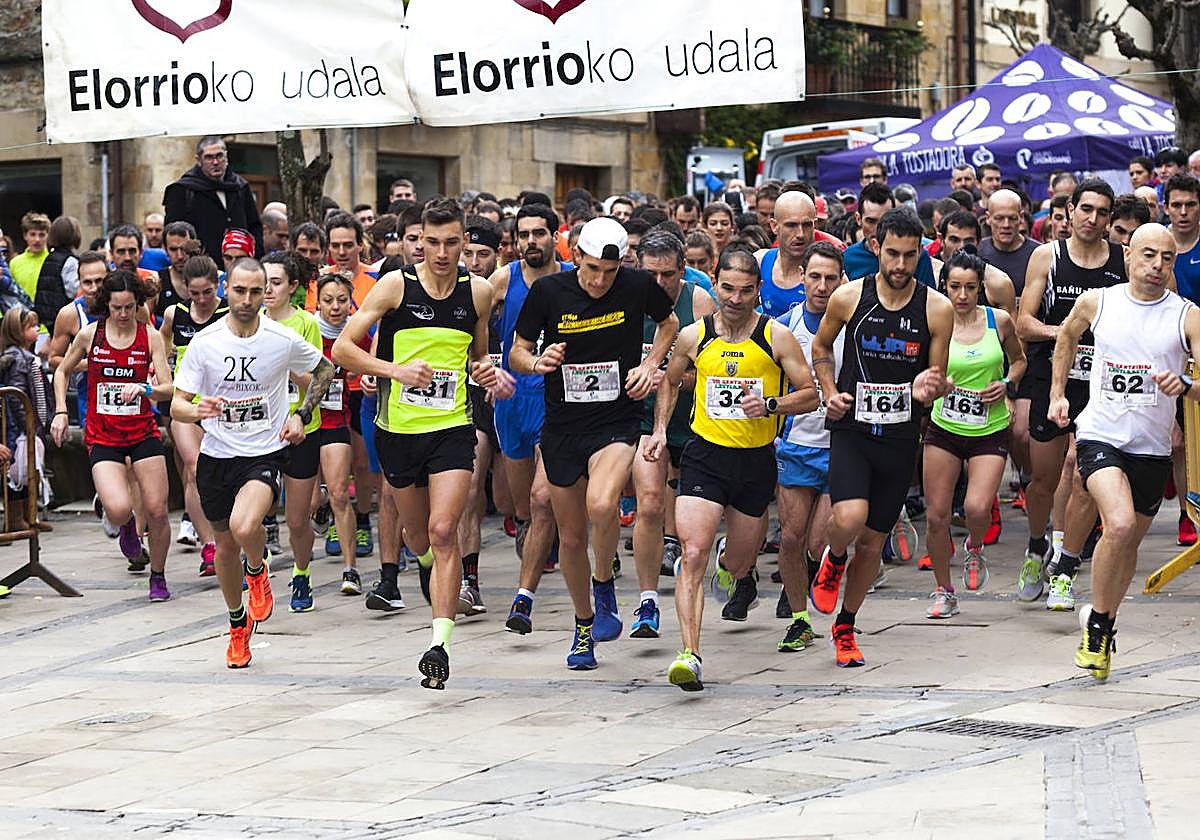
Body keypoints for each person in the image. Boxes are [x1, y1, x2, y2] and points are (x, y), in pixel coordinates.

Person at [333, 198, 508, 689]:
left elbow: (477, 355)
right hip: (398, 433)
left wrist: (485, 370)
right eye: (432, 242)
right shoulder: (395, 286)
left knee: (445, 528)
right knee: (418, 539)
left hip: (452, 428)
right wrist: (395, 372)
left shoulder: (478, 293)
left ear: (464, 243)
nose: (443, 252)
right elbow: (344, 348)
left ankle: (439, 644)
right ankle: (430, 567)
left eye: (453, 243)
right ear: (419, 241)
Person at [509, 217, 678, 671]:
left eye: (610, 271)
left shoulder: (638, 284)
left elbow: (671, 323)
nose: (601, 281)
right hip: (563, 425)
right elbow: (517, 352)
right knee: (571, 536)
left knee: (603, 504)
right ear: (575, 255)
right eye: (591, 269)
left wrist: (651, 365)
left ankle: (605, 583)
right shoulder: (549, 292)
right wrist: (538, 361)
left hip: (616, 418)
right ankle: (584, 623)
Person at [648, 247, 818, 690]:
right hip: (705, 456)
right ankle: (690, 654)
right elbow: (669, 382)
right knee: (692, 552)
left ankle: (733, 563)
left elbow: (811, 394)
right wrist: (661, 430)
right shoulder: (694, 335)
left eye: (745, 290)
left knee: (740, 562)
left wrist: (771, 405)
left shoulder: (776, 337)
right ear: (715, 284)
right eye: (727, 288)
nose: (736, 298)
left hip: (755, 461)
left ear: (758, 291)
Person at [1049, 223, 1198, 679]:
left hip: (1151, 448)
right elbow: (1066, 337)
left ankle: (1105, 622)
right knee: (1119, 522)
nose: (1157, 266)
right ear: (1128, 255)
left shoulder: (1187, 315)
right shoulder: (1099, 302)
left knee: (1126, 544)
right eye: (1148, 255)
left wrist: (1188, 382)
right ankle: (1095, 626)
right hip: (1100, 433)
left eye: (1167, 258)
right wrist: (1058, 393)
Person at [808, 208, 954, 667]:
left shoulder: (937, 308)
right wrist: (829, 392)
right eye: (892, 253)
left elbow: (935, 374)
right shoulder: (849, 297)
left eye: (910, 256)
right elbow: (820, 350)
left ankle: (846, 626)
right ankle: (832, 558)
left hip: (900, 437)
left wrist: (932, 388)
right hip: (853, 429)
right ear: (876, 247)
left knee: (872, 543)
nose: (900, 265)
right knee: (849, 517)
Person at [171, 257, 332, 668]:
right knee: (224, 546)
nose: (247, 300)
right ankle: (237, 623)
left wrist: (301, 414)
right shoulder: (206, 343)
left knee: (246, 526)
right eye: (240, 291)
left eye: (256, 292)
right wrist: (198, 411)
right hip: (217, 456)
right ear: (227, 289)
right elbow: (177, 405)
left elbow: (326, 369)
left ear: (268, 293)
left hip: (263, 452)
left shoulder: (281, 338)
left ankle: (258, 570)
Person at [1017, 178, 1125, 609]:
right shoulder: (1049, 257)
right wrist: (1062, 334)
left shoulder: (1123, 259)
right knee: (1043, 478)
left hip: (1101, 381)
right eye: (1086, 209)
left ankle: (1066, 564)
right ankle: (1037, 544)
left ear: (1109, 218)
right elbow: (1023, 322)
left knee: (1080, 470)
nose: (1093, 219)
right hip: (1052, 374)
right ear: (1070, 210)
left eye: (1102, 212)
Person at [51, 270, 175, 599]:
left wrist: (145, 388)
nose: (123, 315)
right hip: (103, 435)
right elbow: (61, 372)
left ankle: (158, 576)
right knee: (119, 510)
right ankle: (127, 531)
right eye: (117, 308)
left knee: (158, 511)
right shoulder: (90, 335)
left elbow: (168, 388)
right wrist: (61, 411)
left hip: (142, 432)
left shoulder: (149, 337)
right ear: (107, 305)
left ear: (138, 305)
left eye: (129, 307)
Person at [923, 251, 1026, 617]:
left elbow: (1019, 361)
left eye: (970, 287)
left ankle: (975, 547)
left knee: (976, 508)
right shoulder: (934, 321)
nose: (962, 295)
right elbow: (921, 371)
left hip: (989, 427)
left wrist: (1006, 384)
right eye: (955, 287)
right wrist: (936, 384)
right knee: (936, 516)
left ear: (980, 287)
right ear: (944, 286)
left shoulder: (998, 321)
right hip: (944, 426)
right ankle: (943, 590)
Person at [628, 231, 716, 638]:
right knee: (648, 504)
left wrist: (673, 377)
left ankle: (730, 567)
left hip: (696, 422)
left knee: (700, 524)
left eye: (668, 275)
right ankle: (648, 601)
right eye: (651, 275)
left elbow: (718, 370)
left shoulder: (699, 301)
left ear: (683, 270)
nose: (659, 284)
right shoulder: (626, 297)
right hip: (645, 421)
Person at [489, 204, 572, 634]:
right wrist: (481, 366)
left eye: (540, 233)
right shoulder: (502, 279)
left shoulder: (573, 277)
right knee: (521, 504)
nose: (531, 242)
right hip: (511, 398)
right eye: (524, 235)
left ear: (554, 236)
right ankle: (532, 530)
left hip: (557, 400)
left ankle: (524, 600)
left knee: (543, 498)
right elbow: (472, 322)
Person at [773, 242, 844, 650]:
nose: (821, 285)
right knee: (790, 539)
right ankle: (799, 620)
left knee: (820, 543)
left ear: (841, 281)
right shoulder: (783, 326)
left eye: (829, 278)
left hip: (841, 448)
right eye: (814, 276)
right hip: (797, 445)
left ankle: (830, 577)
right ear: (801, 278)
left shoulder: (852, 326)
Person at [159, 255, 228, 575]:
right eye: (195, 293)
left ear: (218, 286)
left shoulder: (229, 312)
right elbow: (161, 344)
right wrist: (159, 372)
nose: (201, 299)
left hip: (221, 404)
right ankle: (209, 545)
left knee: (216, 474)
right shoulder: (176, 313)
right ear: (185, 289)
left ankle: (227, 538)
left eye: (207, 292)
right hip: (185, 404)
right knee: (195, 467)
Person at [459, 216, 506, 615]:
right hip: (470, 402)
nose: (474, 261)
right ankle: (467, 579)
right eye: (468, 253)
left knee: (515, 501)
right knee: (469, 490)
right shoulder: (454, 295)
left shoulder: (512, 294)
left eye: (483, 254)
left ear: (498, 255)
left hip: (512, 403)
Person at [163, 136, 264, 261]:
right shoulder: (182, 190)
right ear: (198, 160)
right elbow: (173, 232)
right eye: (209, 157)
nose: (215, 162)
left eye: (219, 156)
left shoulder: (240, 187)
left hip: (239, 264)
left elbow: (254, 226)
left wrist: (255, 257)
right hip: (201, 267)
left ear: (226, 157)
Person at [0, 307, 50, 533]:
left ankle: (29, 516)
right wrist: (27, 425)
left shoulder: (29, 358)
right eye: (31, 326)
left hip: (33, 424)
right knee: (18, 472)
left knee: (30, 470)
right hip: (21, 427)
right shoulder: (18, 359)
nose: (37, 330)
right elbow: (16, 397)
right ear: (16, 331)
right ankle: (14, 518)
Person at [842, 184, 937, 288]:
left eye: (885, 220)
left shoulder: (918, 256)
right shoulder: (848, 258)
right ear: (858, 219)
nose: (878, 228)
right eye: (871, 221)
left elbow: (929, 299)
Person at [33, 216, 81, 330]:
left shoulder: (49, 258)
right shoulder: (70, 261)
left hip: (47, 318)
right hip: (62, 319)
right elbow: (73, 290)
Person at [153, 222, 200, 323]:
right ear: (165, 249)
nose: (179, 256)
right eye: (173, 249)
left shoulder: (208, 277)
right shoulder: (158, 280)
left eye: (184, 249)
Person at [8, 213, 50, 303]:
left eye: (41, 235)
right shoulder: (15, 263)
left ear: (47, 236)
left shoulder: (52, 261)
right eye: (33, 234)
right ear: (25, 236)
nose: (37, 239)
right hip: (21, 314)